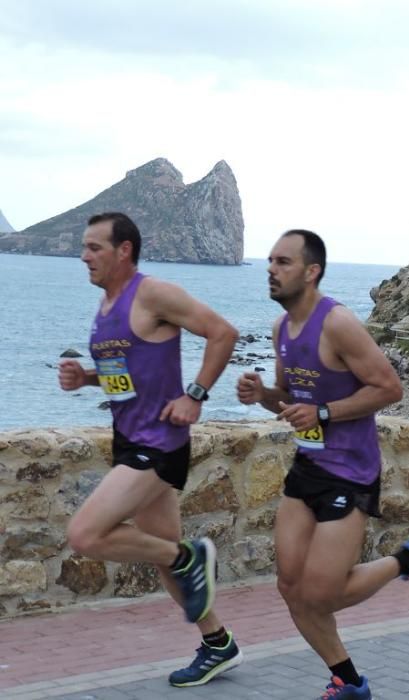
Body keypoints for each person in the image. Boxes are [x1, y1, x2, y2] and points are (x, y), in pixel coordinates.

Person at [236, 229, 409, 699]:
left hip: (349, 471)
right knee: (291, 586)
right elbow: (293, 402)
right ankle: (348, 682)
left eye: (283, 262)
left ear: (311, 272)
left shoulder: (338, 324)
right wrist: (264, 396)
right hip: (307, 466)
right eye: (270, 260)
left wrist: (325, 413)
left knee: (323, 594)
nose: (271, 268)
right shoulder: (281, 329)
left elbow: (389, 388)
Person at [58, 212, 242, 687]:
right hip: (129, 439)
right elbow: (130, 371)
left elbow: (223, 333)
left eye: (95, 247)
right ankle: (217, 643)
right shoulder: (106, 307)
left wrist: (195, 396)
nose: (84, 256)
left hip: (159, 442)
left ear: (123, 250)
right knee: (162, 557)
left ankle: (189, 557)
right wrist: (88, 378)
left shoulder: (153, 293)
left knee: (84, 535)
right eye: (84, 247)